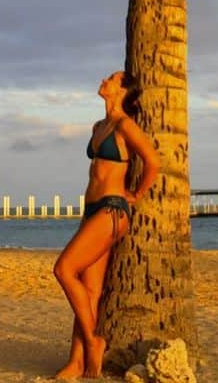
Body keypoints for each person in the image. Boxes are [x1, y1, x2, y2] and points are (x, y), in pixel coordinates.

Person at [53, 70, 160, 379]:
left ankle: (93, 342)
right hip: (92, 211)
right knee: (88, 290)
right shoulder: (99, 126)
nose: (104, 80)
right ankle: (77, 362)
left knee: (63, 270)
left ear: (123, 91)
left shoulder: (126, 126)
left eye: (112, 78)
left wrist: (136, 193)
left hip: (113, 210)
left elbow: (153, 162)